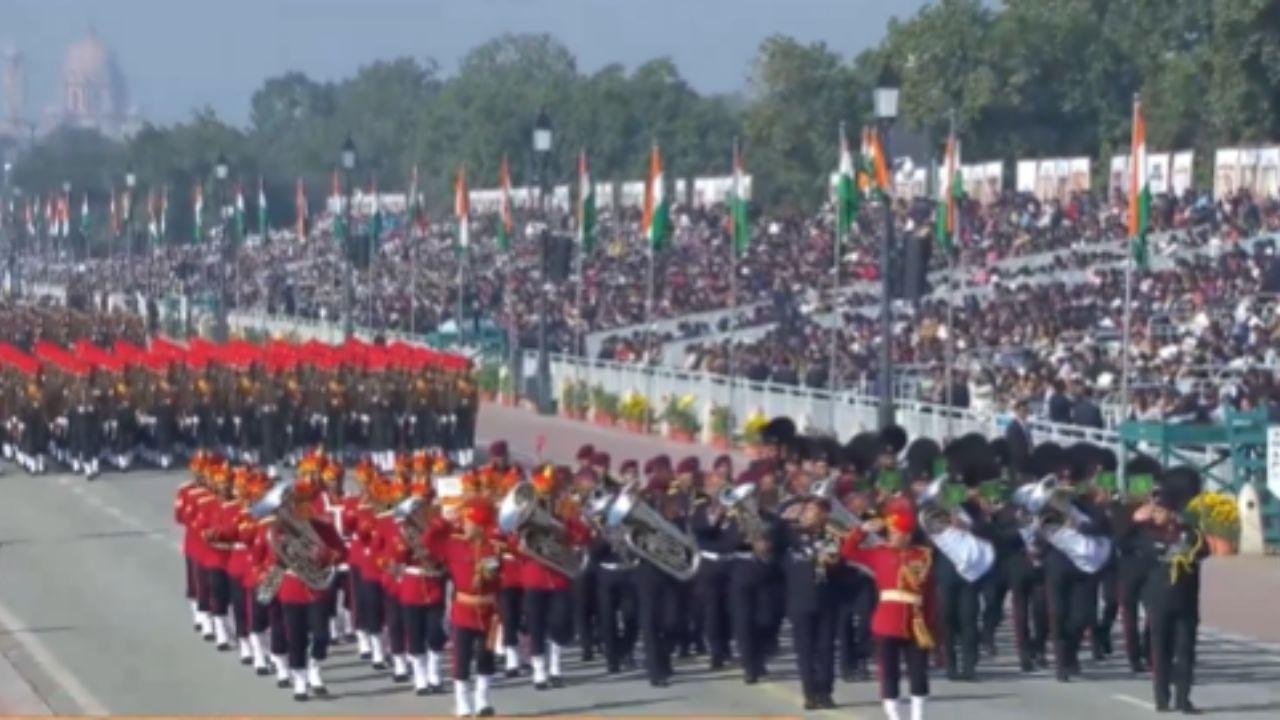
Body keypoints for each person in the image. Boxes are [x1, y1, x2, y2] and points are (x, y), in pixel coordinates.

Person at [841, 508, 935, 720]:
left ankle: (918, 716)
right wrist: (861, 530)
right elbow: (848, 552)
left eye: (895, 533)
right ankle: (894, 716)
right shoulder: (879, 553)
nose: (890, 537)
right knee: (889, 673)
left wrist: (930, 625)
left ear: (907, 536)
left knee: (919, 673)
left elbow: (930, 595)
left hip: (916, 622)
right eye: (889, 533)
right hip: (887, 622)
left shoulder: (923, 555)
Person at [1132, 467, 1209, 714]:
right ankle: (1161, 696)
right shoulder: (1147, 536)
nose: (1155, 515)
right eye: (1154, 511)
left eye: (1160, 511)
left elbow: (1203, 550)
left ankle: (1184, 698)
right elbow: (1147, 555)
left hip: (1186, 601)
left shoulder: (1189, 532)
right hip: (1159, 600)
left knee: (1186, 650)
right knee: (1161, 649)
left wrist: (1184, 538)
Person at [422, 496, 505, 717]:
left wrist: (491, 572)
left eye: (470, 522)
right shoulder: (454, 544)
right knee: (461, 657)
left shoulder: (492, 548)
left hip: (488, 611)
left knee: (486, 656)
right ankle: (462, 703)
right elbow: (428, 542)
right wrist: (442, 521)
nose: (465, 525)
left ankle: (482, 700)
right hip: (463, 610)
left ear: (480, 526)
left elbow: (497, 577)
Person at [780, 497, 840, 710]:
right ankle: (809, 692)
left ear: (823, 515)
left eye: (813, 511)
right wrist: (787, 516)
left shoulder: (831, 535)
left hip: (826, 600)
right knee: (804, 650)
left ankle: (825, 692)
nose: (807, 514)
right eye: (806, 510)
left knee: (825, 649)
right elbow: (770, 533)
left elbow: (834, 563)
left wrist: (827, 554)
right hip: (799, 600)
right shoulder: (789, 534)